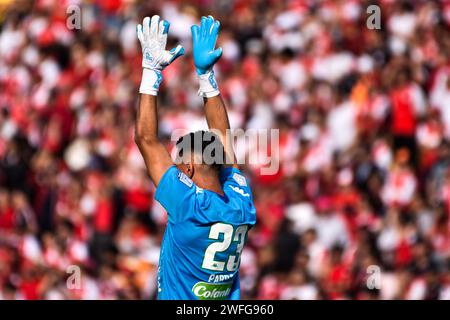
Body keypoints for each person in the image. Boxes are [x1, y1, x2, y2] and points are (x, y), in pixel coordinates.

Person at [134, 15, 256, 300]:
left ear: (188, 168)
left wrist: (151, 71)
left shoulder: (189, 203)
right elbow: (223, 137)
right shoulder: (239, 198)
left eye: (178, 163)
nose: (173, 168)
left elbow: (146, 139)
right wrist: (206, 78)